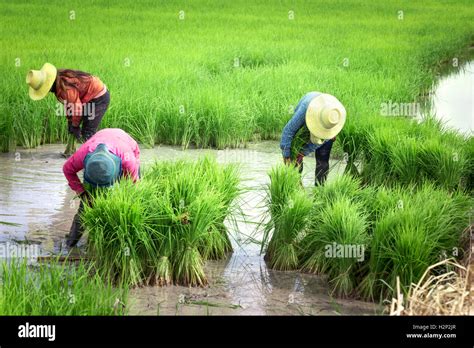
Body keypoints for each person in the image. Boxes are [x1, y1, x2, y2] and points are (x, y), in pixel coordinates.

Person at [63, 128, 140, 247]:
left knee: (122, 206)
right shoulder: (83, 154)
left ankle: (109, 244)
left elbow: (134, 188)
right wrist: (82, 193)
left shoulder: (128, 160)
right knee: (86, 206)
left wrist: (123, 202)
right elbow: (67, 169)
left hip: (123, 144)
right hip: (98, 145)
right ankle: (70, 244)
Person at [26, 63, 110, 142]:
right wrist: (70, 121)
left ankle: (96, 154)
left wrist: (75, 126)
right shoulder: (59, 80)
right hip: (88, 98)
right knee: (84, 131)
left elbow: (76, 108)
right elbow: (69, 104)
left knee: (88, 133)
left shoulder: (65, 87)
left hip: (99, 98)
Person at [280, 92, 346, 185]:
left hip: (327, 127)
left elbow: (318, 142)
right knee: (295, 156)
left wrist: (302, 153)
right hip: (309, 117)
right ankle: (295, 184)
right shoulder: (305, 109)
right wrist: (287, 155)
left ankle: (319, 190)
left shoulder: (335, 116)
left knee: (322, 161)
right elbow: (288, 131)